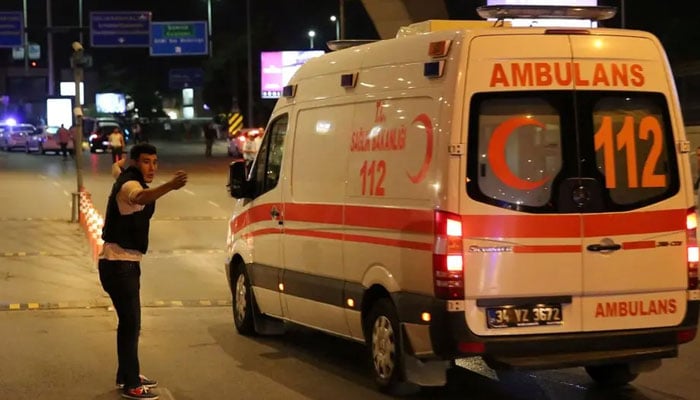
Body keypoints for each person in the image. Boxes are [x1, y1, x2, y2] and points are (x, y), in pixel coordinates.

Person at [98, 143, 188, 400]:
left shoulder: (126, 177)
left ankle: (126, 374)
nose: (152, 167)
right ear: (136, 163)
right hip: (119, 266)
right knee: (131, 324)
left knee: (128, 324)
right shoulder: (130, 187)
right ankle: (131, 385)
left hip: (123, 264)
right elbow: (140, 197)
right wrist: (170, 186)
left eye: (155, 162)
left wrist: (117, 165)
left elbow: (116, 171)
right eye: (146, 162)